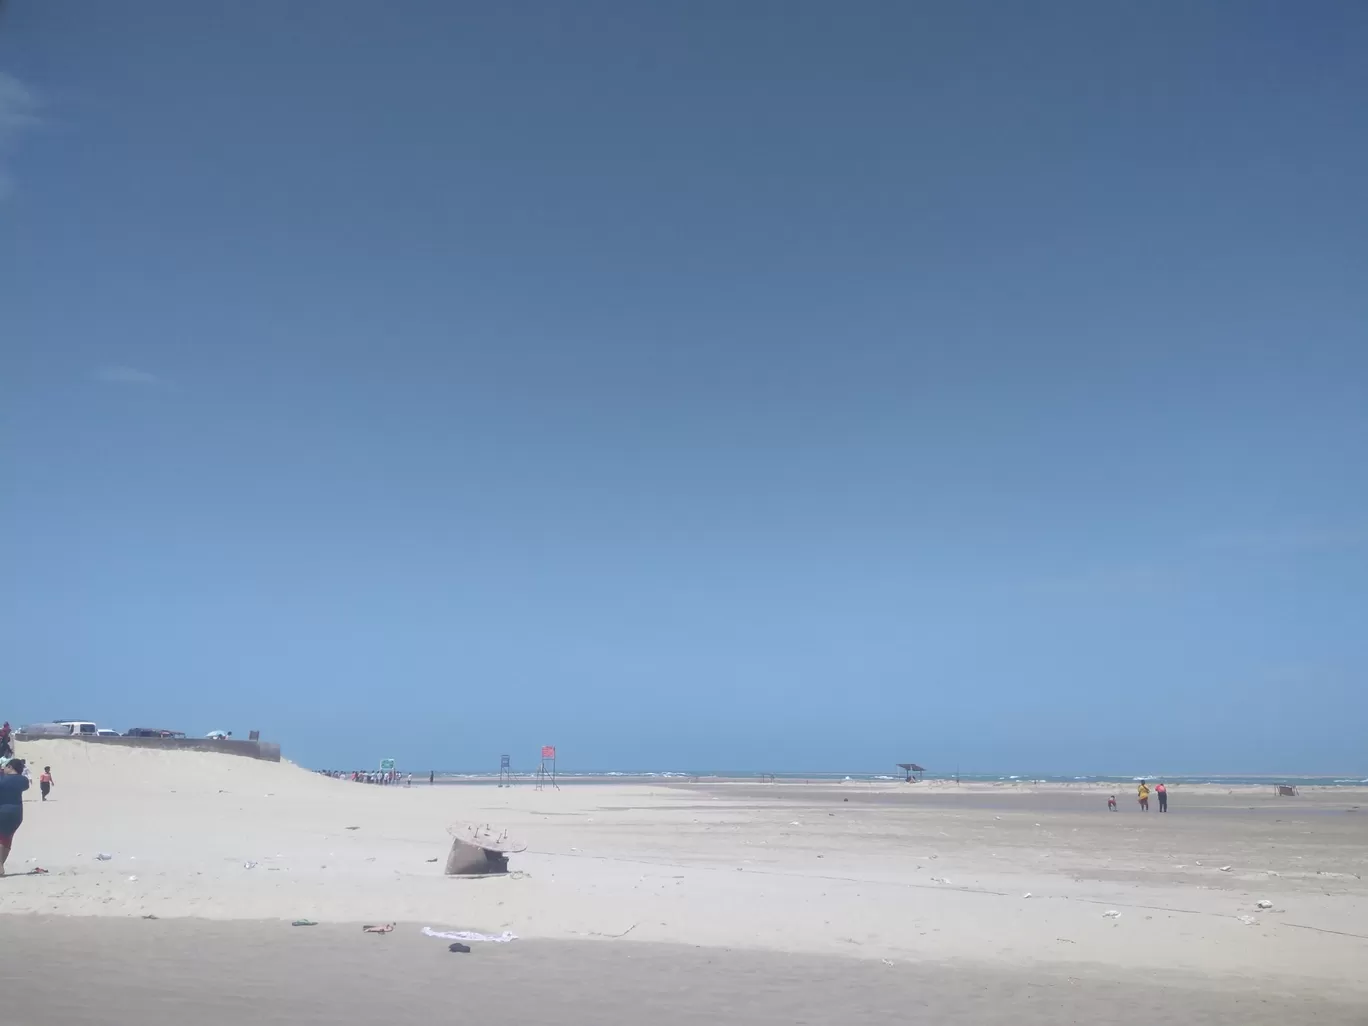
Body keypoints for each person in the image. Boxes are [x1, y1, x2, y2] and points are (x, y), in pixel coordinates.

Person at [0, 758, 30, 876]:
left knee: (1, 838)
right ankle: (1, 864)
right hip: (17, 813)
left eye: (5, 767)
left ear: (10, 767)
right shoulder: (23, 780)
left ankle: (0, 866)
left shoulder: (2, 779)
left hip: (2, 810)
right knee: (7, 839)